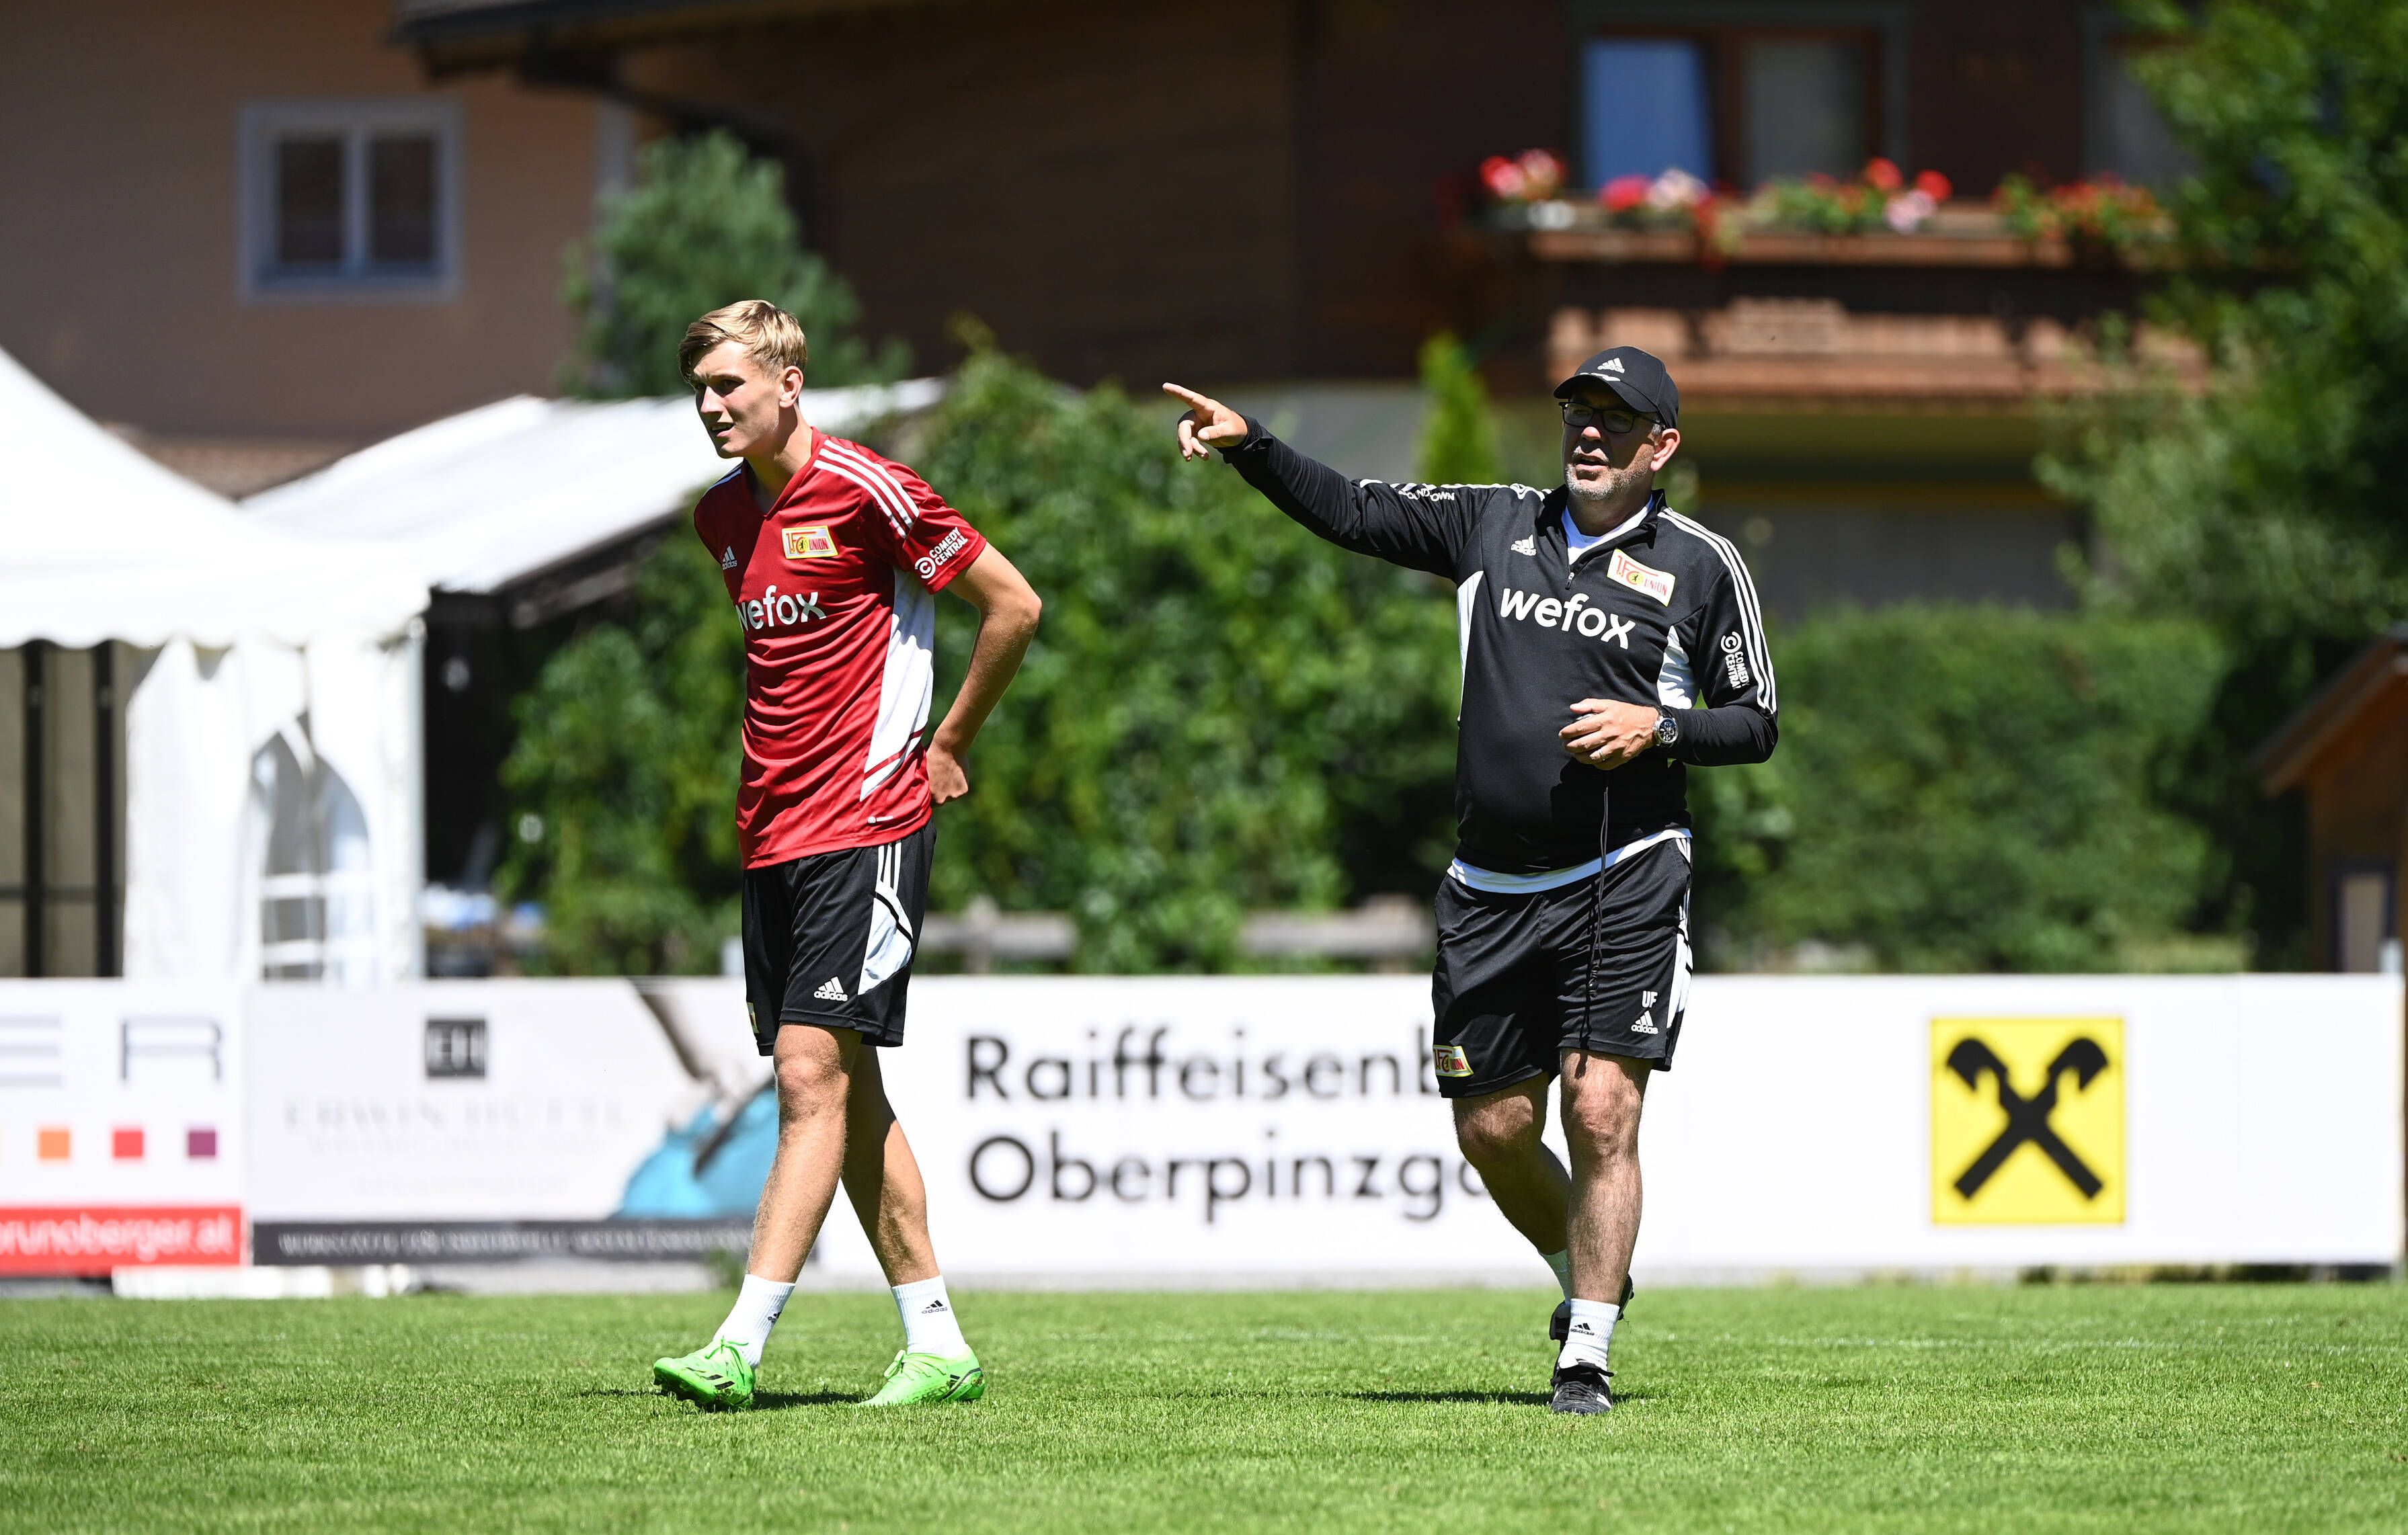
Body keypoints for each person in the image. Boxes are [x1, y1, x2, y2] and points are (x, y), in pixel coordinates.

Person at [1166, 347, 1774, 1413]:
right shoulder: (1492, 523)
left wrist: (1658, 729)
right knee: (1492, 1130)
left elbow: (1756, 720)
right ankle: (1592, 1272)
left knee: (1599, 1111)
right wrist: (1252, 448)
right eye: (1577, 414)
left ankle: (1585, 1349)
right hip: (1487, 885)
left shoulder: (1701, 565)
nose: (1589, 434)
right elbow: (1352, 511)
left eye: (1616, 420)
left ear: (1660, 446)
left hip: (1621, 871)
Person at [652, 300, 1041, 1410]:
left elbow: (1013, 605)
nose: (711, 407)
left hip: (867, 827)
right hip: (769, 836)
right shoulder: (720, 520)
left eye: (728, 385)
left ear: (789, 379)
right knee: (849, 1090)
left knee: (807, 1076)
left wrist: (949, 744)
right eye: (700, 391)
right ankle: (938, 1345)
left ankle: (738, 1340)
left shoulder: (872, 491)